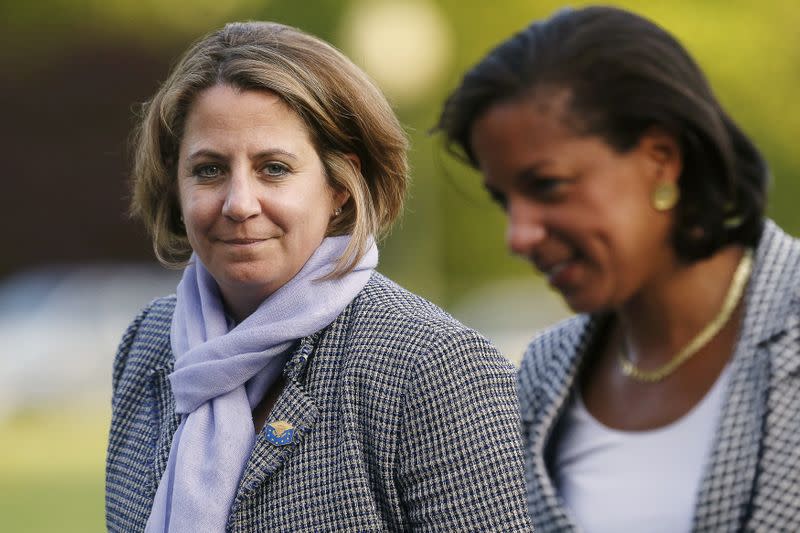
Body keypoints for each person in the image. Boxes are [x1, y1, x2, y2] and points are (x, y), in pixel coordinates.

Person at [105, 21, 533, 532]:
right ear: (176, 185)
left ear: (340, 188)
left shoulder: (435, 370)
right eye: (210, 170)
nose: (239, 203)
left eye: (274, 169)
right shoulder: (149, 344)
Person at [436, 5, 800, 533]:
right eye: (504, 201)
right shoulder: (544, 374)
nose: (519, 235)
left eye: (548, 187)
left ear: (661, 157)